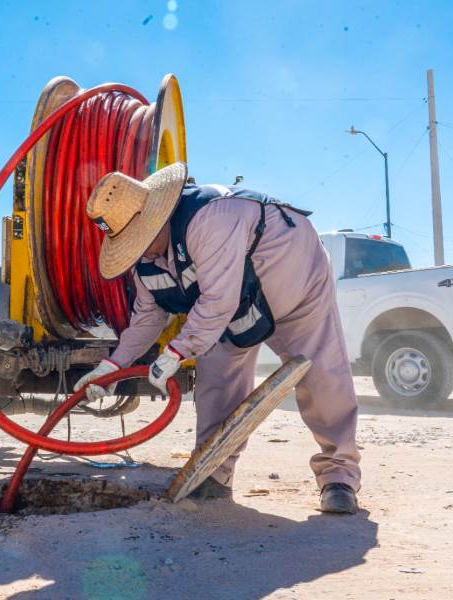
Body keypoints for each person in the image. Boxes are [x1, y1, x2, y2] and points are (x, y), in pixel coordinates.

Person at [74, 162, 361, 514]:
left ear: (157, 218)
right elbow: (148, 317)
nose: (141, 252)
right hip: (232, 309)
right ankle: (214, 473)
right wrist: (111, 366)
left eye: (141, 240)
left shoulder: (210, 218)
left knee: (323, 378)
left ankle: (339, 478)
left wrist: (175, 351)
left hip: (294, 280)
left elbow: (217, 302)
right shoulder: (145, 260)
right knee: (215, 382)